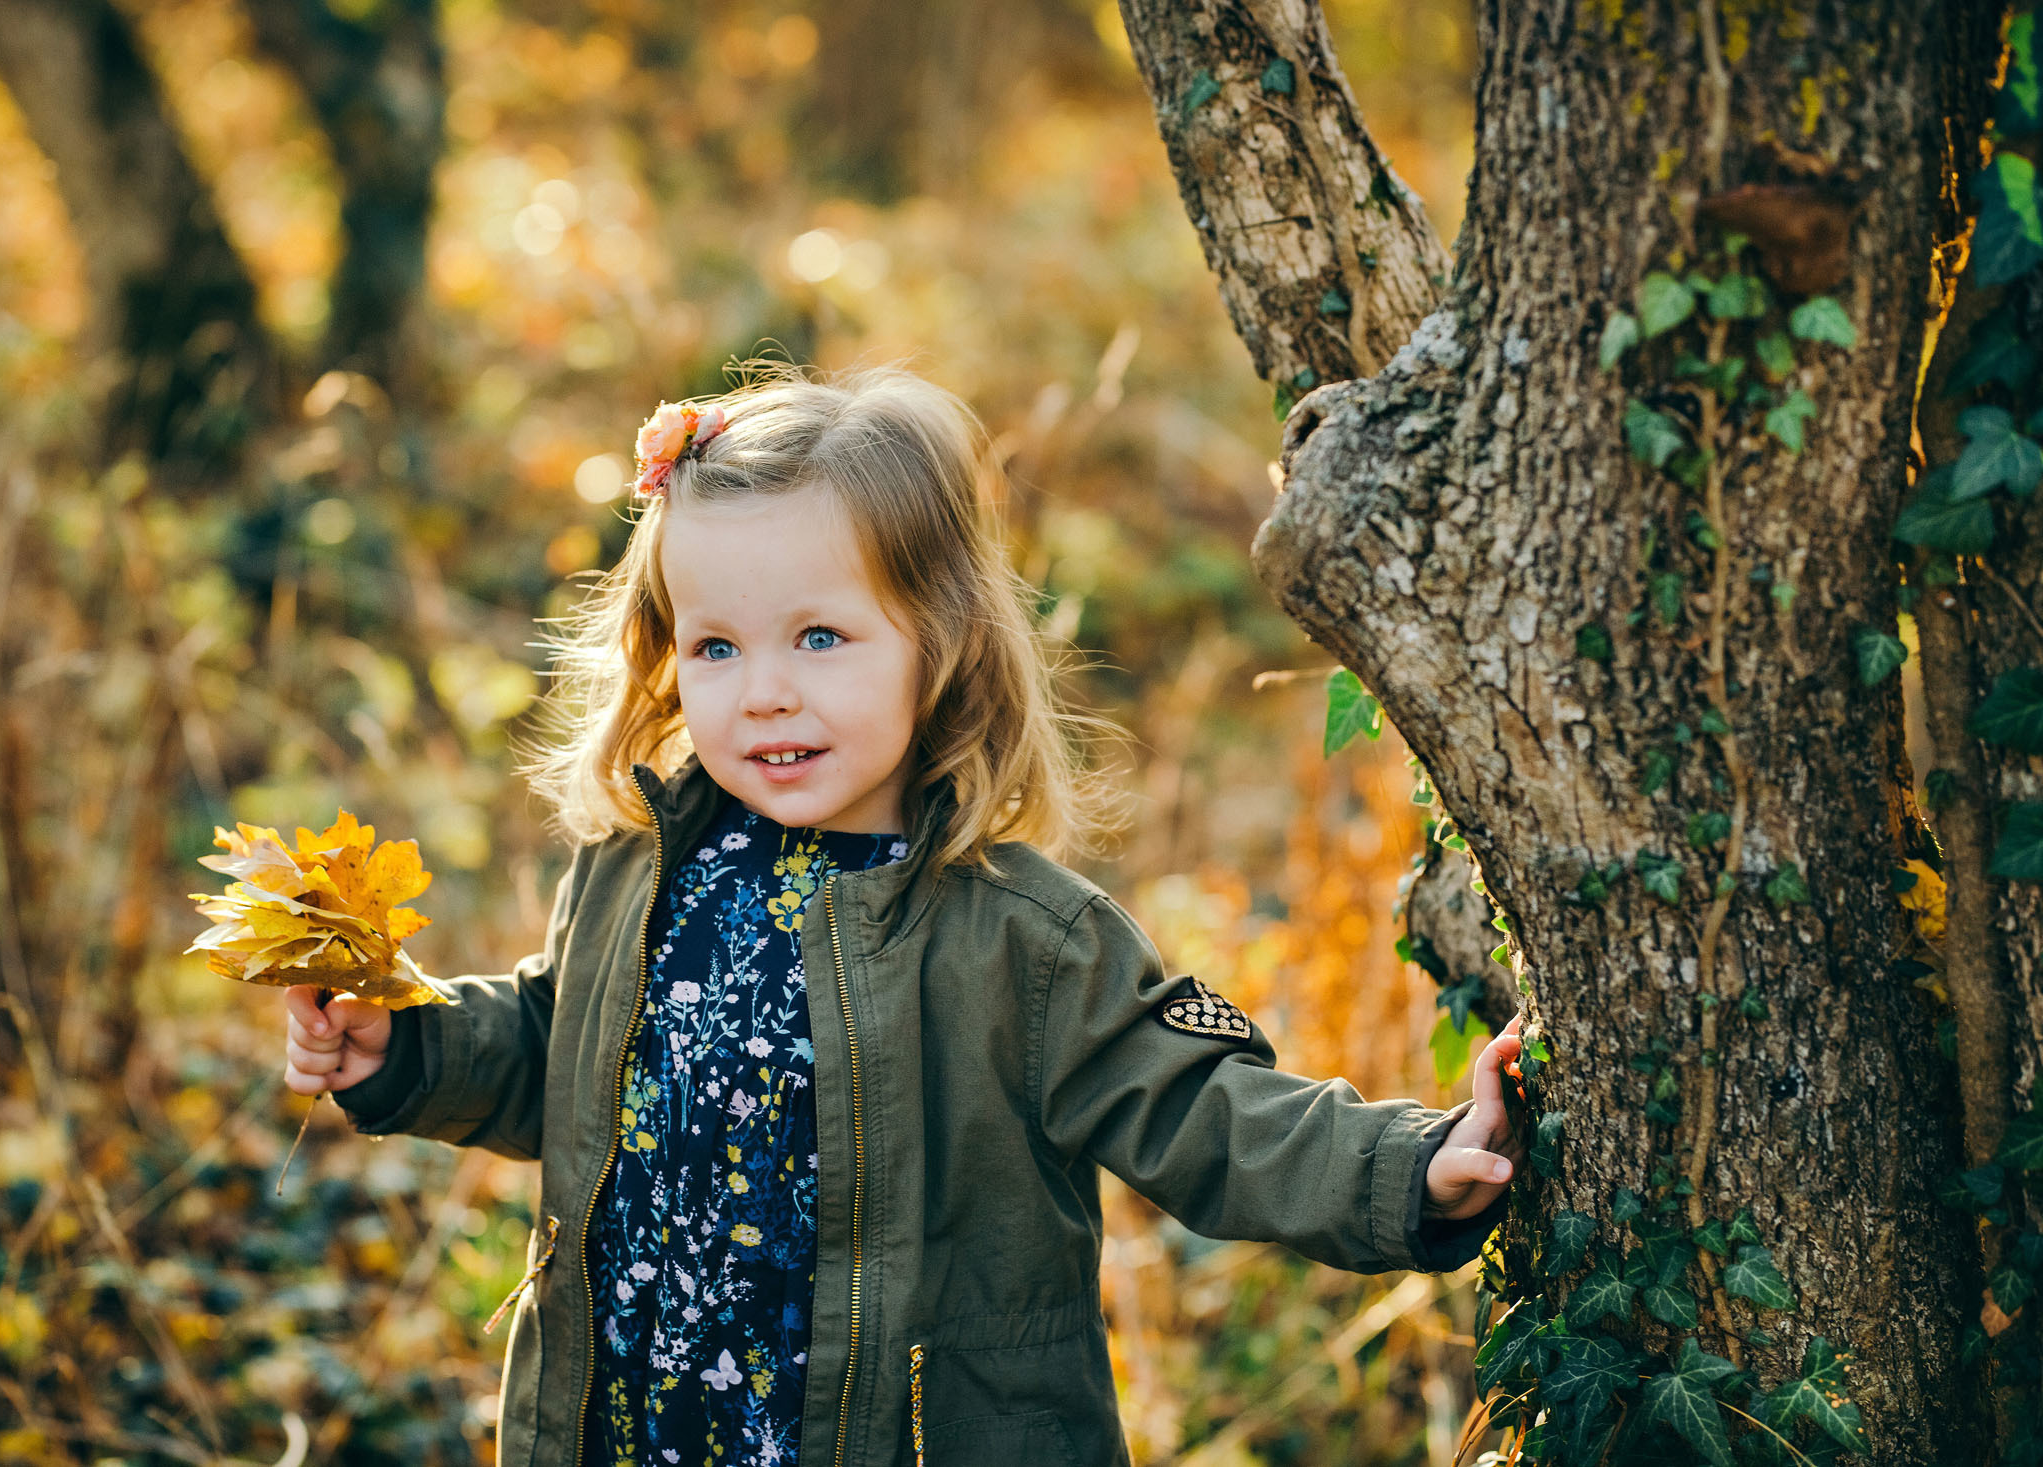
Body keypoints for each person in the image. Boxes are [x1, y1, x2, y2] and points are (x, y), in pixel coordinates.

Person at [280, 361, 1524, 1467]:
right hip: (640, 1425)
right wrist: (411, 1045)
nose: (762, 694)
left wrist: (1405, 1167)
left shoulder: (1019, 937)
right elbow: (561, 1052)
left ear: (939, 642)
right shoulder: (639, 867)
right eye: (715, 648)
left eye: (820, 637)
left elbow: (1202, 1108)